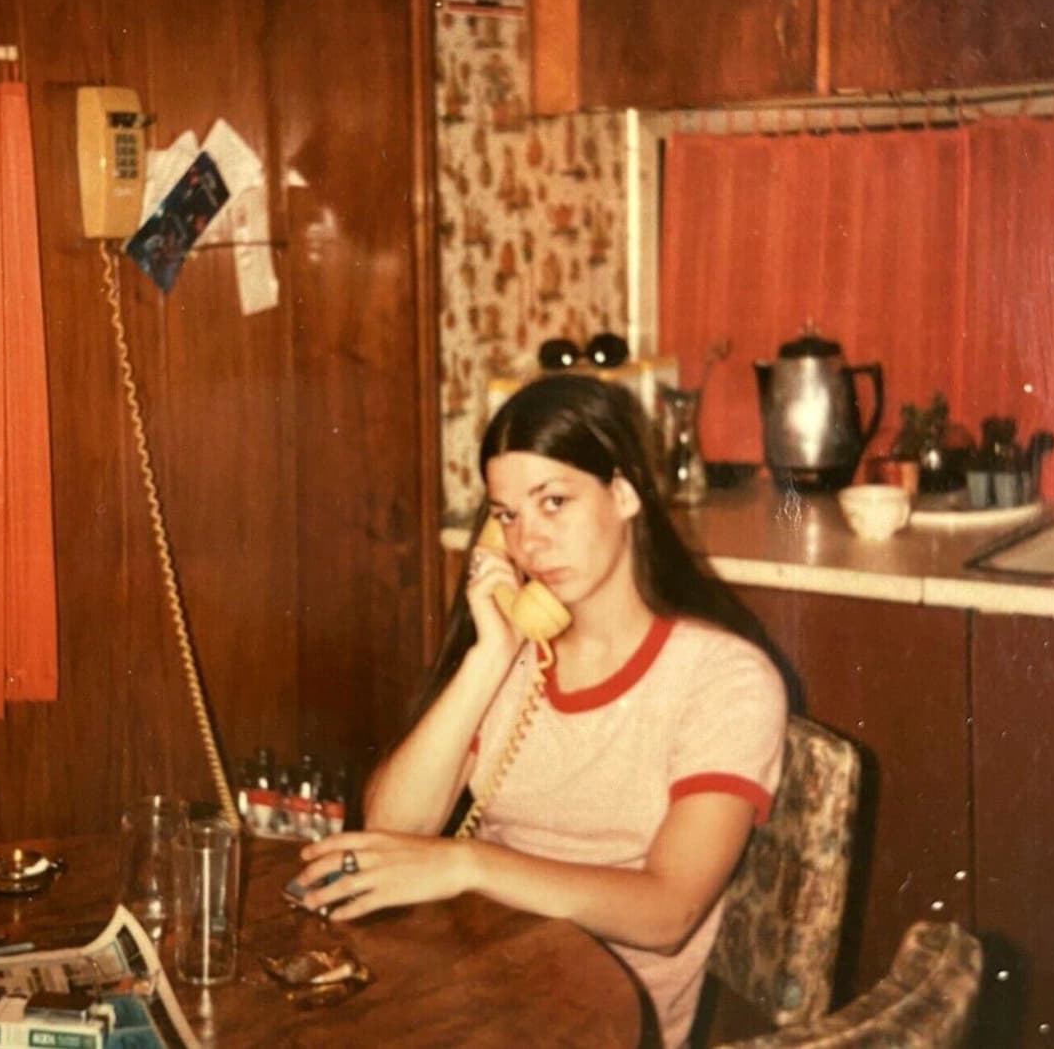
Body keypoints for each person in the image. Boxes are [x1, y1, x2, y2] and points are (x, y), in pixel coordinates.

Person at [294, 373, 789, 1047]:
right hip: (478, 992)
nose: (528, 543)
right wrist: (487, 658)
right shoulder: (516, 656)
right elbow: (391, 826)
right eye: (507, 516)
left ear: (622, 493)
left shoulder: (722, 679)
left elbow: (669, 911)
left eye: (553, 502)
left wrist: (467, 864)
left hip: (596, 1025)